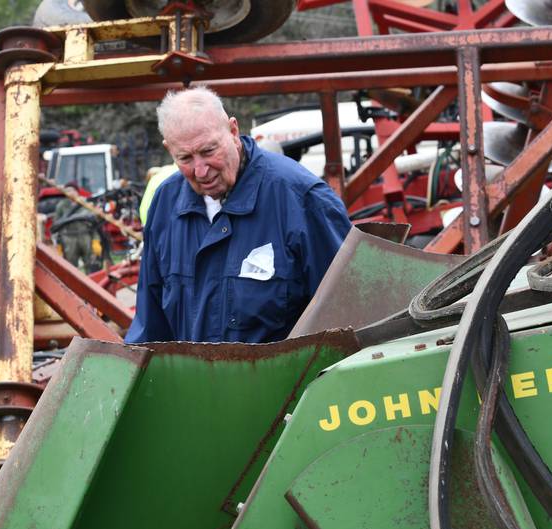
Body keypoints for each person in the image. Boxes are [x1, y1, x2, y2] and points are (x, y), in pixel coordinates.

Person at [125, 87, 352, 343]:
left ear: (233, 131)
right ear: (169, 149)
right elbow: (150, 326)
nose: (200, 170)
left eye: (209, 151)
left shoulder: (303, 200)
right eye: (185, 158)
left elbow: (348, 316)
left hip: (285, 381)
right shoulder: (166, 204)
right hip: (193, 382)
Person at [52, 182, 98, 272]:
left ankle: (92, 283)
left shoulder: (85, 203)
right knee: (70, 266)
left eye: (72, 190)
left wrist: (96, 240)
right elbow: (56, 225)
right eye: (67, 191)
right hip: (69, 238)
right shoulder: (61, 206)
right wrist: (58, 244)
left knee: (91, 263)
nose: (70, 193)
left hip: (85, 236)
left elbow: (94, 223)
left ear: (77, 191)